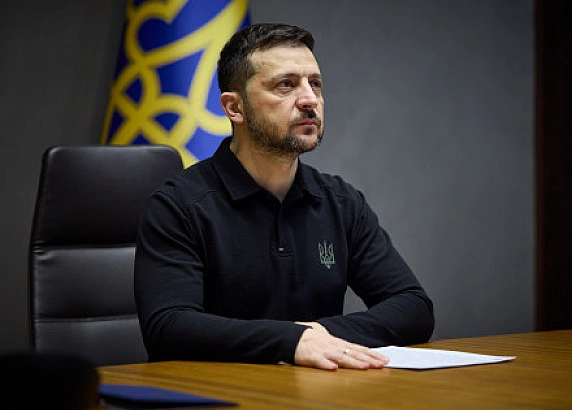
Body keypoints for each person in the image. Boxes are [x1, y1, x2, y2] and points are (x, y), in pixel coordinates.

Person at [134, 22, 435, 371]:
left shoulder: (341, 201)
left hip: (316, 390)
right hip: (214, 392)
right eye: (286, 85)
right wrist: (290, 341)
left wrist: (316, 336)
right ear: (234, 108)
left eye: (315, 84)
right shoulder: (178, 206)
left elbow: (413, 308)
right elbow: (168, 328)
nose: (310, 100)